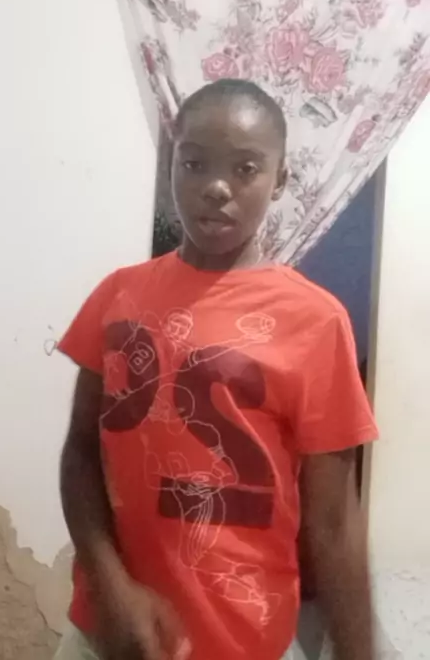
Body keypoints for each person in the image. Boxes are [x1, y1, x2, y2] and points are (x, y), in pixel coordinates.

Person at [55, 79, 378, 660]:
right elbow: (81, 452)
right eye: (194, 163)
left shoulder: (315, 320)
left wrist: (360, 651)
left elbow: (332, 522)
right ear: (171, 167)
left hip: (243, 638)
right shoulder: (118, 295)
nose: (217, 187)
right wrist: (109, 583)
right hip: (108, 631)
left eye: (246, 168)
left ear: (280, 179)